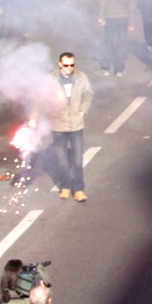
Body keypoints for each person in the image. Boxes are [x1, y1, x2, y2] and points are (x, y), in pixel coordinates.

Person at [47, 52, 94, 202]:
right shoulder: (51, 79)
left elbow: (88, 94)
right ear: (60, 64)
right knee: (62, 159)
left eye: (72, 65)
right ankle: (65, 186)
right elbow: (41, 99)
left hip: (76, 124)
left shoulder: (81, 77)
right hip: (58, 124)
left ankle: (79, 189)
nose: (69, 68)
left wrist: (83, 110)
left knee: (78, 159)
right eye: (66, 65)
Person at [98, 0, 136, 76]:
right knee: (121, 45)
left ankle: (105, 68)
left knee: (108, 44)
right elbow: (132, 7)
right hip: (123, 20)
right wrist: (131, 23)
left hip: (110, 19)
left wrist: (102, 18)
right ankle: (119, 69)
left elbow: (103, 4)